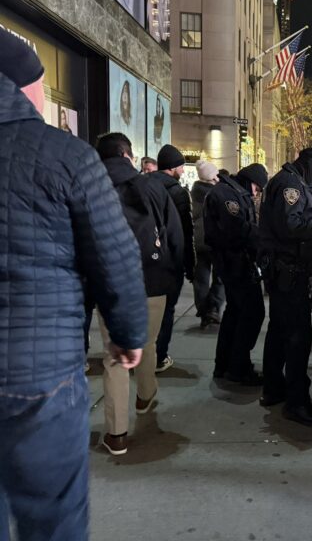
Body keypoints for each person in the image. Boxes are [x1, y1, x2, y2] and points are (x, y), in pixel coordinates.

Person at [0, 32, 147, 539]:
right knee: (53, 513)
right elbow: (114, 255)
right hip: (38, 370)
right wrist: (128, 335)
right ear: (24, 89)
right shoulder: (66, 156)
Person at [96, 133, 184, 455]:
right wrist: (175, 276)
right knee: (147, 342)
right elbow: (174, 235)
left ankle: (117, 433)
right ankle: (145, 395)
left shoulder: (93, 187)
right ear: (127, 154)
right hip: (153, 279)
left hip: (112, 285)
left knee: (115, 356)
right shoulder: (153, 187)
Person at [259, 148, 312, 426]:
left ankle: (274, 388)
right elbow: (291, 226)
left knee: (278, 332)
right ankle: (296, 403)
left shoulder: (290, 181)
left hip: (284, 271)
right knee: (298, 337)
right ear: (310, 164)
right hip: (289, 273)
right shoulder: (291, 185)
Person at [204, 163, 268, 385]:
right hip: (234, 263)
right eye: (257, 188)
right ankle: (238, 367)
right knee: (252, 313)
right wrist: (264, 239)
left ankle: (225, 364)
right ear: (250, 181)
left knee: (235, 313)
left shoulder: (233, 192)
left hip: (234, 263)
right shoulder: (226, 195)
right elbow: (238, 228)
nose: (256, 193)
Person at [150, 144, 195, 372]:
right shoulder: (177, 192)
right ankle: (159, 356)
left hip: (145, 258)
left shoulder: (142, 186)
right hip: (169, 260)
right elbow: (185, 232)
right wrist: (190, 264)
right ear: (173, 167)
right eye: (181, 166)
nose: (183, 171)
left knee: (146, 309)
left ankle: (144, 354)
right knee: (166, 310)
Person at [192, 161, 225, 328]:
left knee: (201, 278)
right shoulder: (216, 193)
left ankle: (203, 309)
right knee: (220, 276)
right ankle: (213, 307)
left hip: (198, 240)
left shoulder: (193, 192)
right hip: (215, 239)